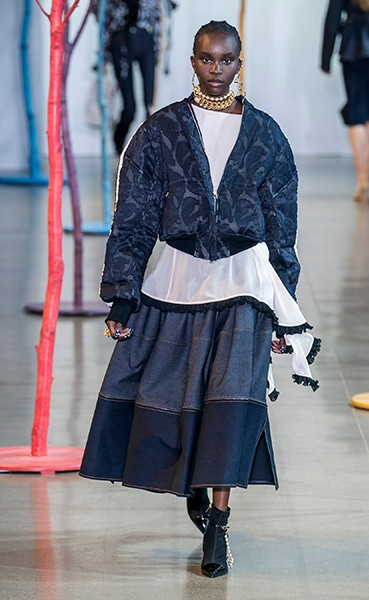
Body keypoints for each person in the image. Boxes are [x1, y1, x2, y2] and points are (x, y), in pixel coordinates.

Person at [80, 20, 321, 578]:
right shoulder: (160, 131)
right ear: (192, 60)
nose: (216, 70)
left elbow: (282, 225)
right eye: (207, 59)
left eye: (226, 60)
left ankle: (218, 523)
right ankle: (195, 489)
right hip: (178, 280)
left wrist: (284, 308)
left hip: (245, 282)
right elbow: (134, 216)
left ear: (240, 62)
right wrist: (122, 295)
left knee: (231, 401)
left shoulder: (265, 135)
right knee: (172, 393)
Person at [321, 0, 369, 202]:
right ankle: (366, 171)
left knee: (357, 113)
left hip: (352, 47)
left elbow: (332, 18)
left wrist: (325, 57)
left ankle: (362, 176)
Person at [93, 0, 162, 154]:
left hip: (145, 42)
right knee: (130, 107)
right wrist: (103, 57)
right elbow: (100, 17)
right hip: (120, 43)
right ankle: (119, 144)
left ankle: (150, 148)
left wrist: (160, 52)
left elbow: (159, 18)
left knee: (150, 104)